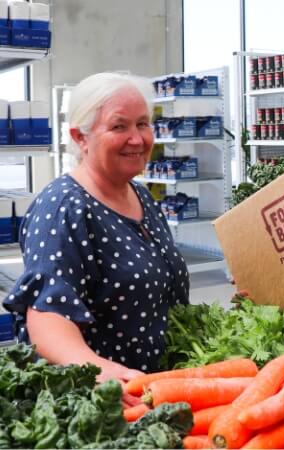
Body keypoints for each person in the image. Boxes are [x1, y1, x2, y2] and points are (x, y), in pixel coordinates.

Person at [3, 72, 190, 404]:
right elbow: (47, 314)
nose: (137, 139)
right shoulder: (64, 207)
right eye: (119, 126)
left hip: (156, 393)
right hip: (106, 403)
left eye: (143, 124)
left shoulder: (141, 196)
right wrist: (100, 371)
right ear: (81, 137)